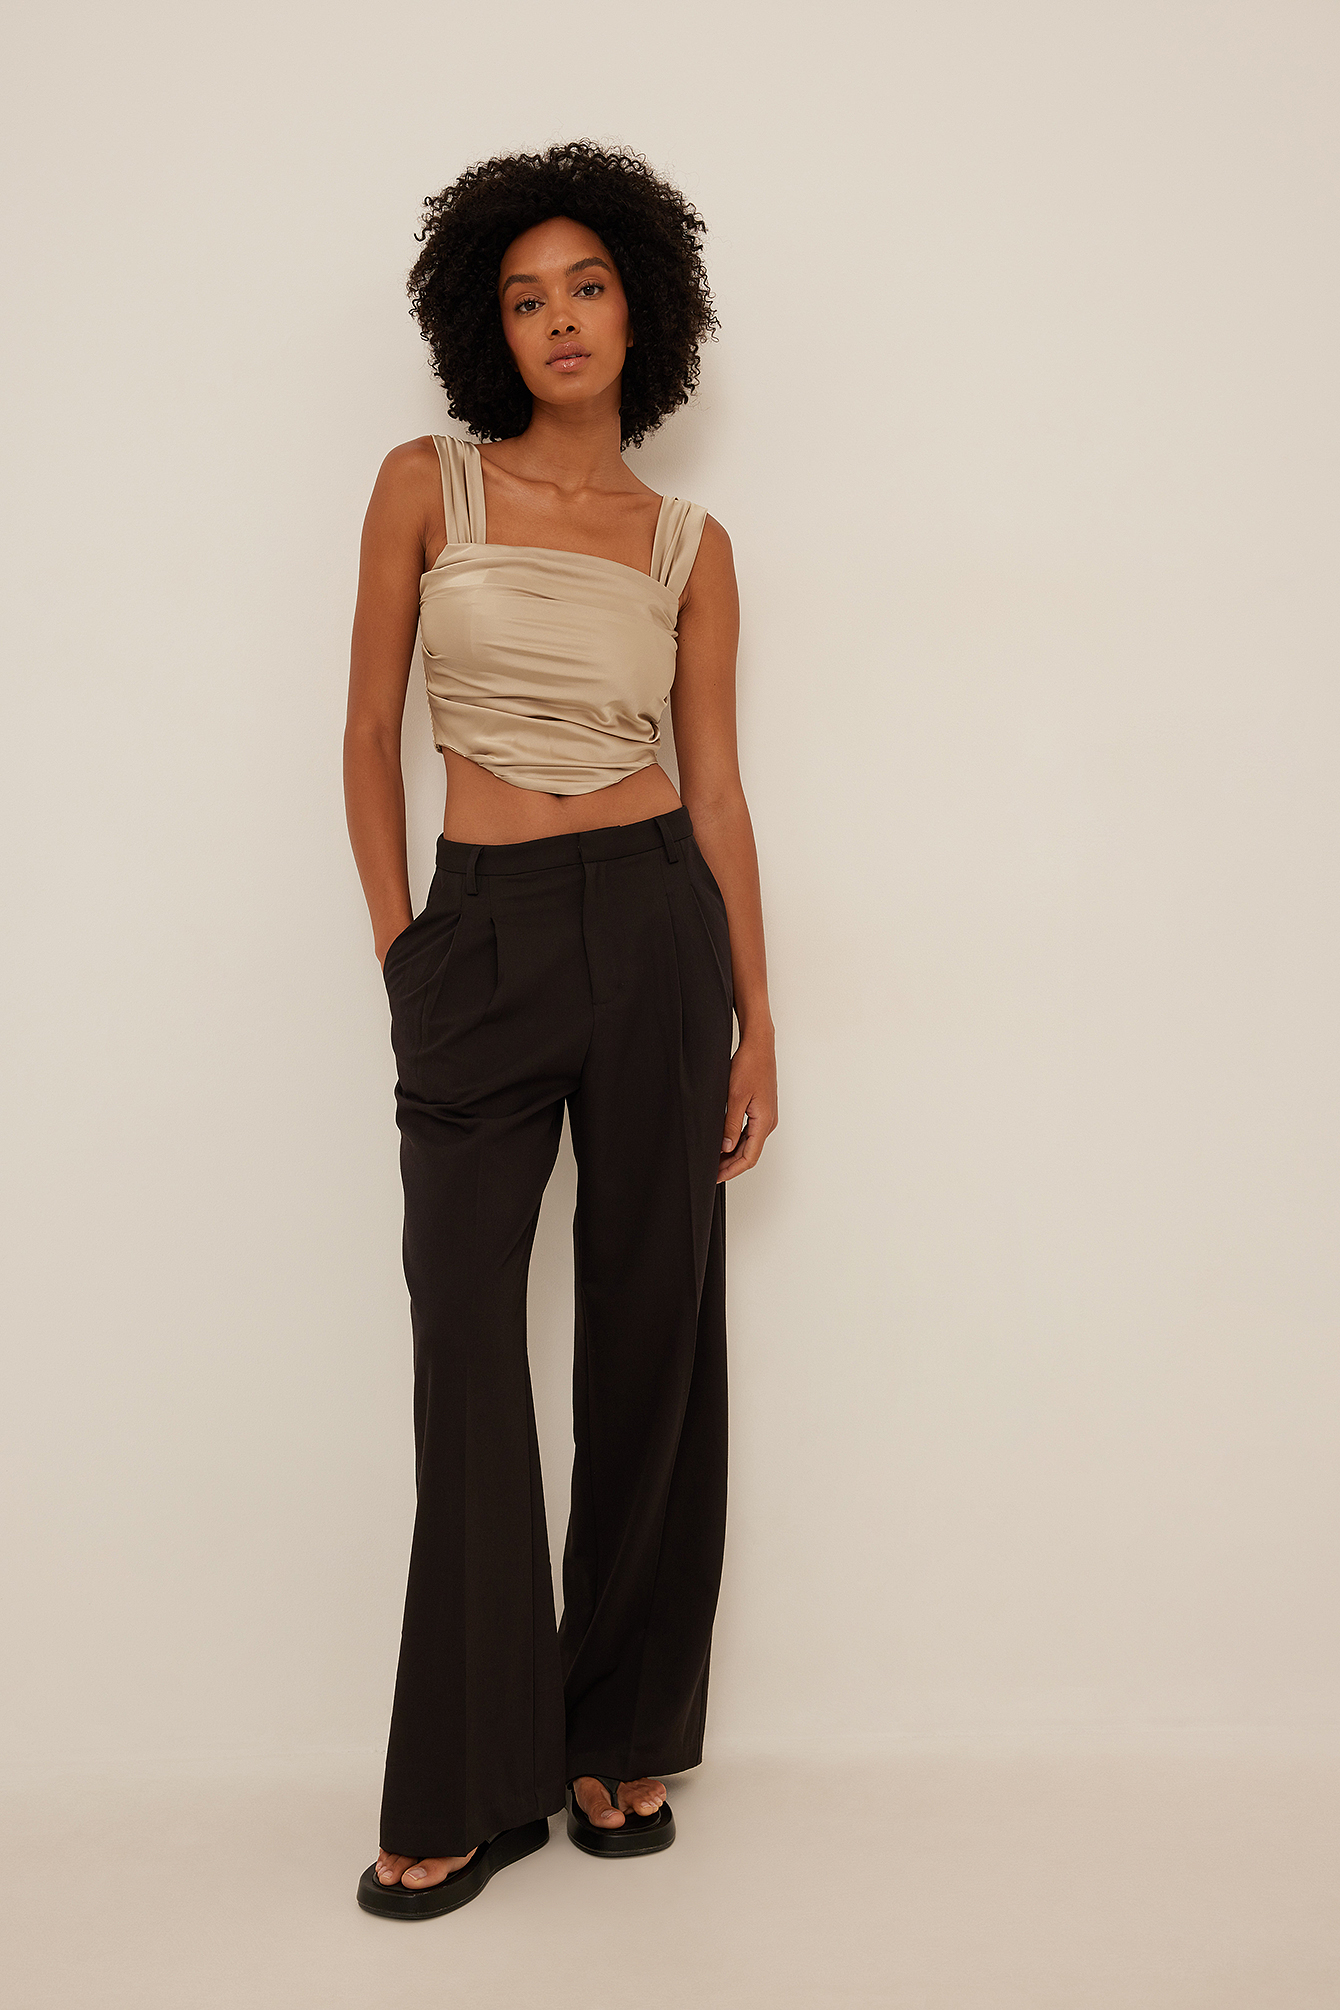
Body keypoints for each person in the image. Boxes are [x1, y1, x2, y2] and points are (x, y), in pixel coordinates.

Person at [342, 140, 777, 1920]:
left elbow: (721, 788)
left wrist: (759, 1018)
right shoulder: (422, 485)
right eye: (524, 298)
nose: (560, 318)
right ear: (487, 329)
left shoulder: (690, 544)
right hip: (482, 932)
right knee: (464, 1340)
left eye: (587, 285)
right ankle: (470, 1771)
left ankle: (618, 1727)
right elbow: (364, 734)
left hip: (659, 923)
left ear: (642, 308)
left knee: (652, 1329)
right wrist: (408, 954)